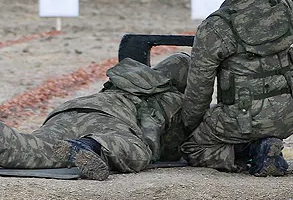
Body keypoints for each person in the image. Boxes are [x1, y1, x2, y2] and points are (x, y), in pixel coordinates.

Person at [181, 0, 293, 177]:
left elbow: (199, 89)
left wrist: (187, 126)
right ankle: (268, 144)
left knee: (193, 147)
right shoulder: (284, 9)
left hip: (243, 120)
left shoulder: (216, 25)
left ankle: (255, 151)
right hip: (290, 115)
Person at [0, 53, 190, 181]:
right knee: (136, 151)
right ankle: (88, 146)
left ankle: (4, 138)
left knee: (34, 146)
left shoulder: (128, 80)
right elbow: (166, 142)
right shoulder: (170, 97)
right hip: (110, 119)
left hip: (72, 109)